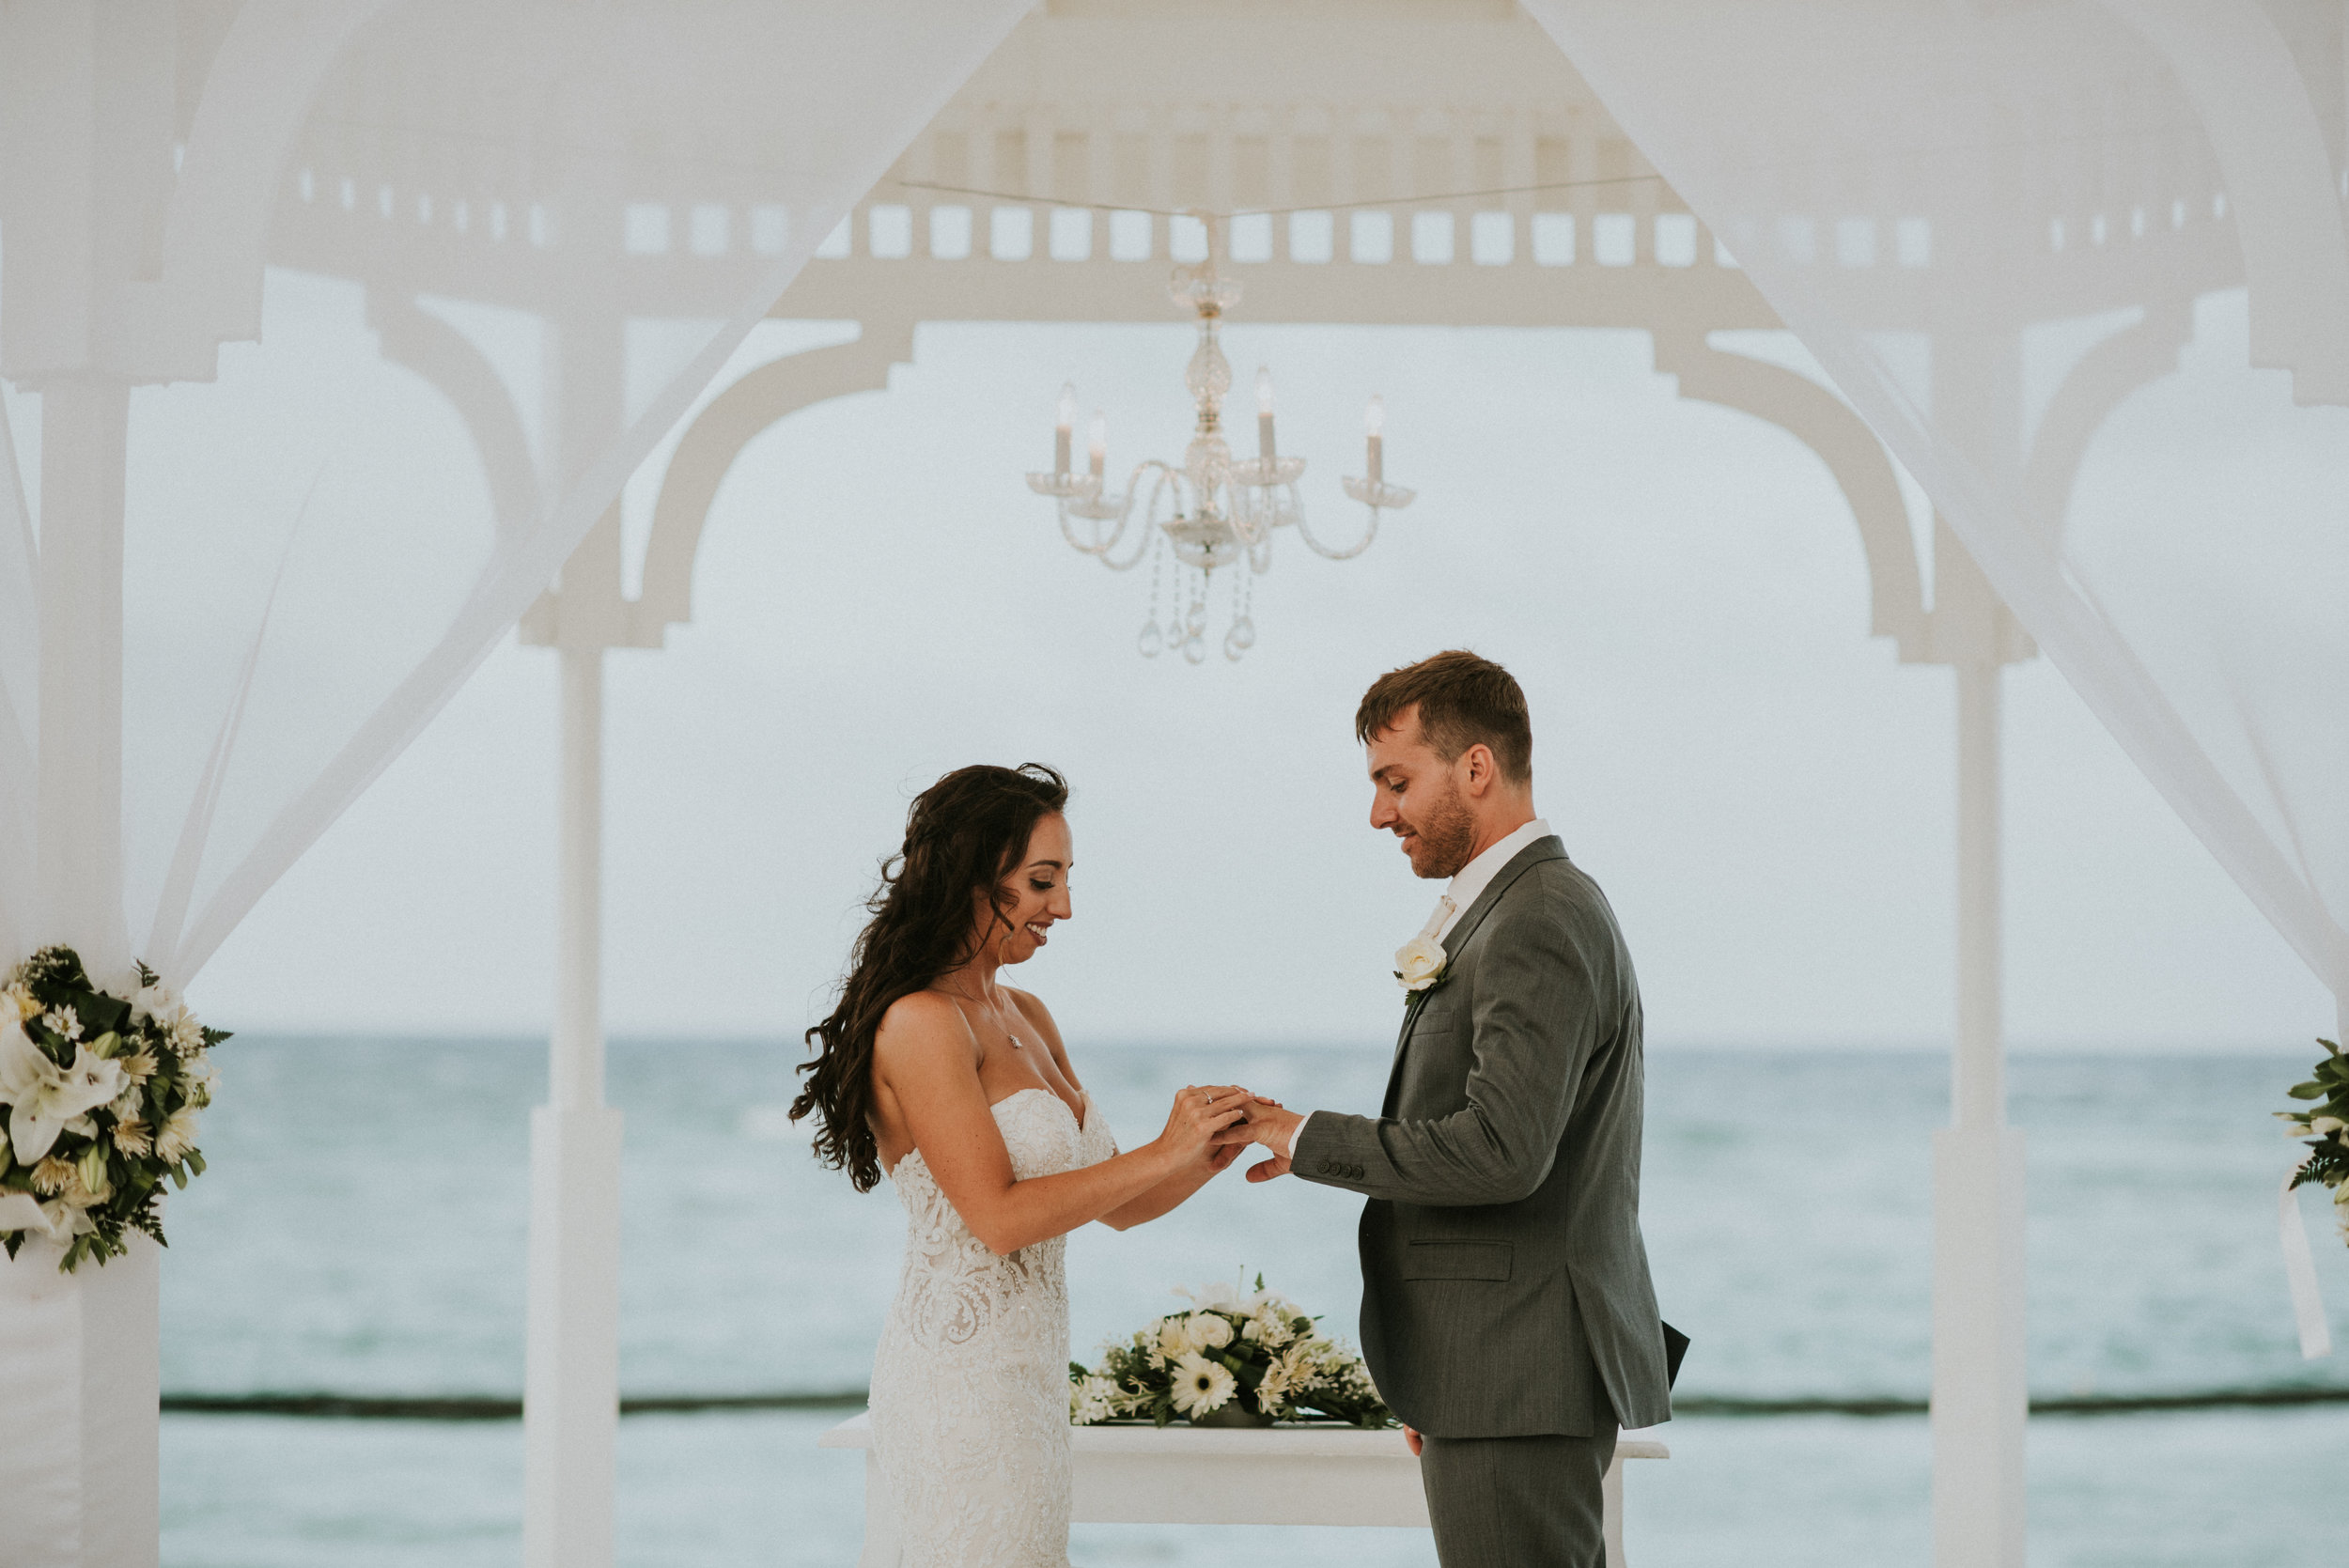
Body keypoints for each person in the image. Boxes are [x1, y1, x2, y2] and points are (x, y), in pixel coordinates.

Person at [1220, 650, 1672, 1568]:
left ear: (1475, 767)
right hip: (1489, 1371)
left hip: (1515, 1370)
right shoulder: (1505, 909)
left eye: (1395, 780)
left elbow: (1503, 1150)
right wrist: (1437, 1370)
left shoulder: (1537, 913)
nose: (1379, 812)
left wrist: (1302, 1135)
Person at [789, 762, 1253, 1568]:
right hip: (958, 1392)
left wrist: (1210, 1146)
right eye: (1043, 880)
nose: (1064, 906)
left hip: (1032, 1387)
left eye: (1066, 879)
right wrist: (1160, 1149)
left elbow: (1119, 1200)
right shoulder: (920, 1022)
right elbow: (999, 1216)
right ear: (974, 874)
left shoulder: (1026, 1012)